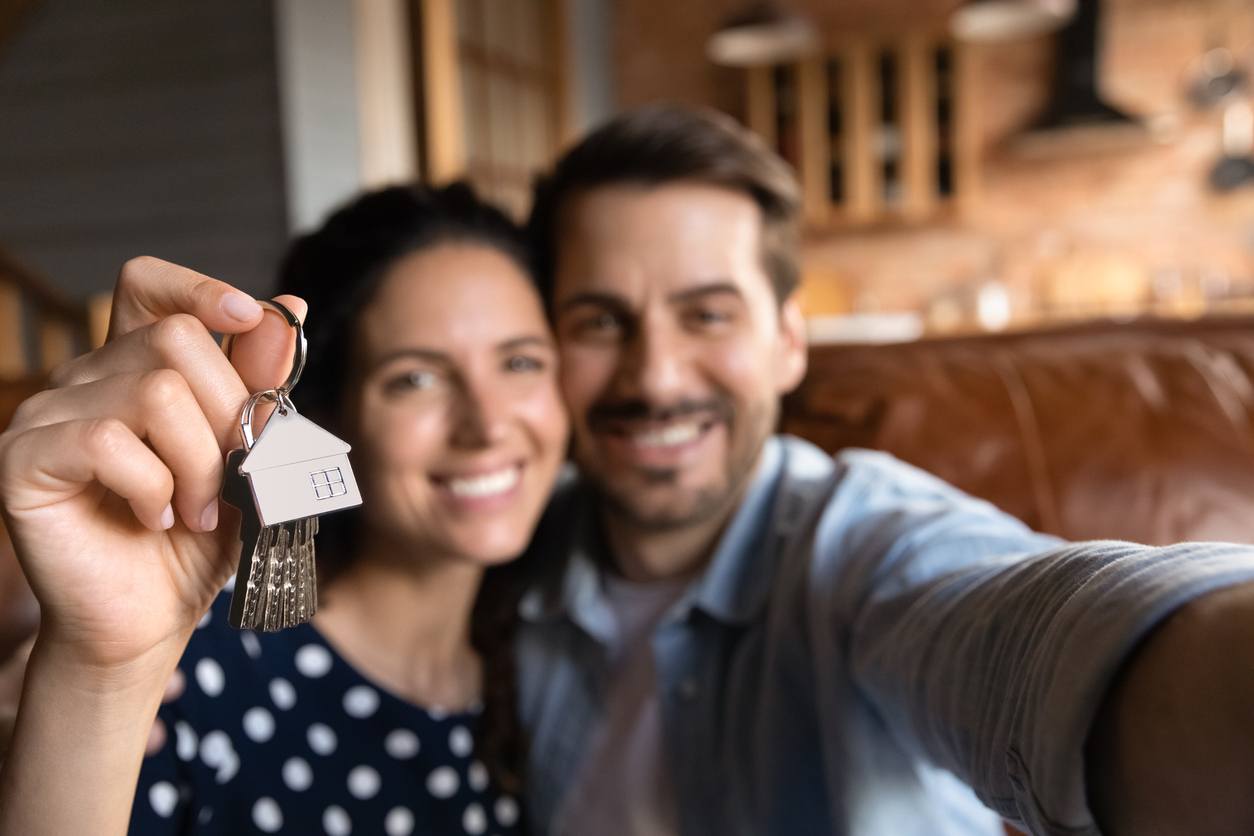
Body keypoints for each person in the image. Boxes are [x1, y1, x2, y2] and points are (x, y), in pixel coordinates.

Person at [505, 104, 1254, 836]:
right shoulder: (511, 546)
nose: (656, 379)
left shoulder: (859, 543)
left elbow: (1031, 639)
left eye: (708, 315)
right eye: (600, 322)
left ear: (788, 344)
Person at [0, 182, 567, 834]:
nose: (489, 424)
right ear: (331, 410)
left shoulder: (570, 659)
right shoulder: (188, 680)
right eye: (415, 378)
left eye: (520, 362)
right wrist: (95, 675)